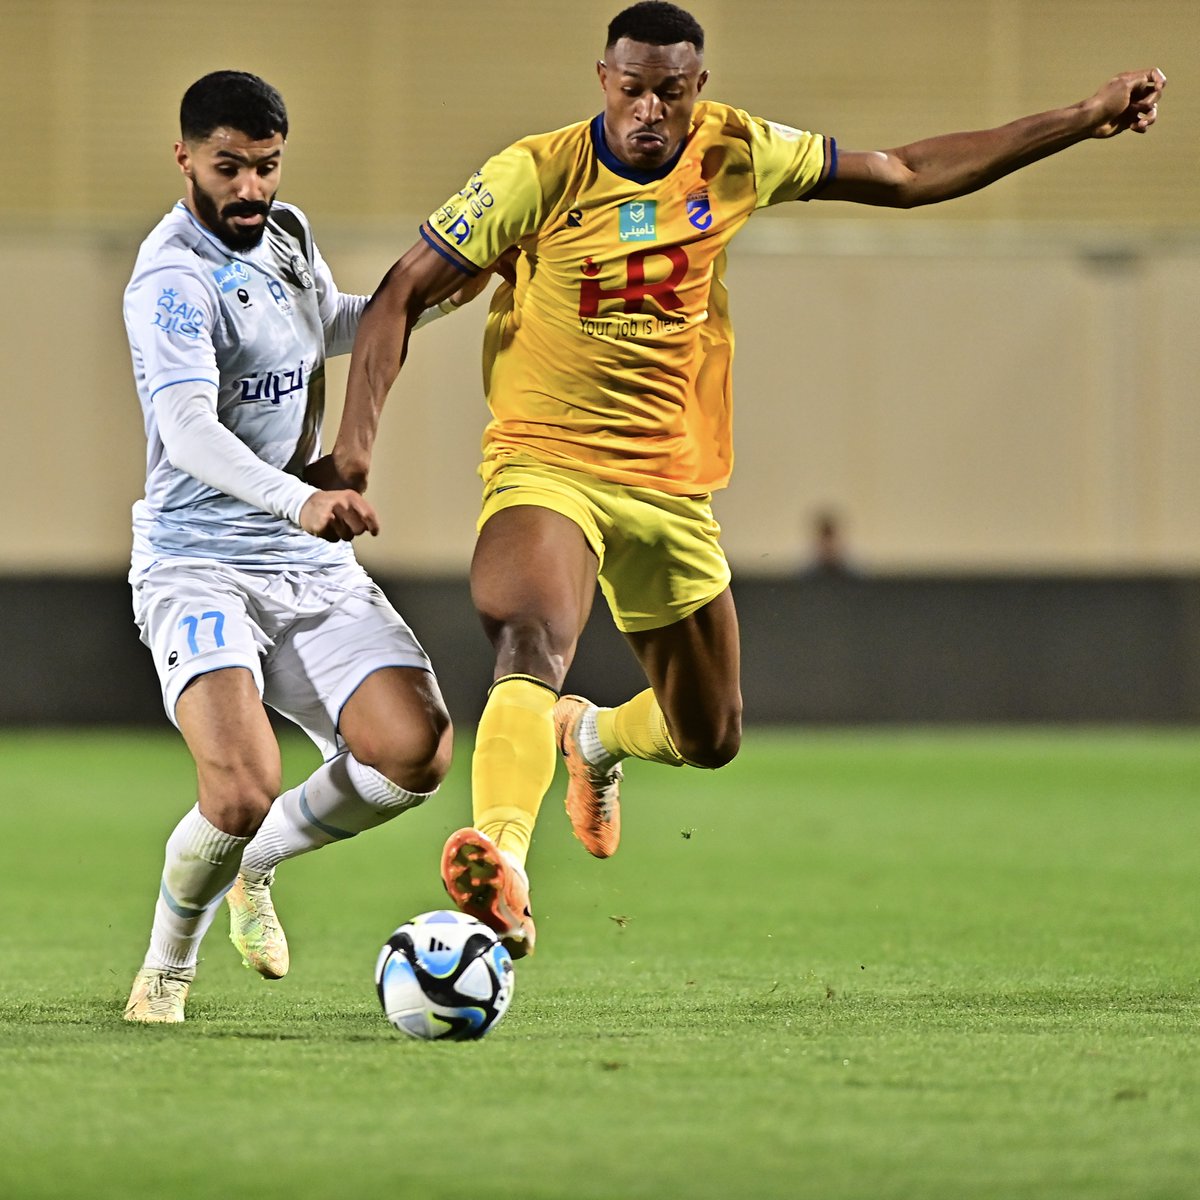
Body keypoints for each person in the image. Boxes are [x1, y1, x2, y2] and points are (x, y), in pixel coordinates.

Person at [312, 2, 1165, 958]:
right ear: (603, 78)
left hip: (672, 483)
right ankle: (502, 860)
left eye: (668, 92)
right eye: (630, 88)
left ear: (697, 89)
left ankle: (595, 740)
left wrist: (1078, 117)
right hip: (546, 459)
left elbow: (906, 173)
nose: (647, 110)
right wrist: (356, 445)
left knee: (709, 733)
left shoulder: (736, 153)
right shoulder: (535, 174)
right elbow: (400, 291)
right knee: (526, 632)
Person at [121, 71, 478, 1022]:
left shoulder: (287, 235)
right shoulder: (170, 281)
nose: (249, 188)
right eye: (228, 167)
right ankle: (168, 968)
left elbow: (336, 325)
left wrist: (443, 293)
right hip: (198, 557)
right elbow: (190, 427)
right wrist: (298, 500)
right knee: (238, 789)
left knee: (418, 753)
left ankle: (260, 867)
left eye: (265, 167)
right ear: (185, 158)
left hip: (305, 559)